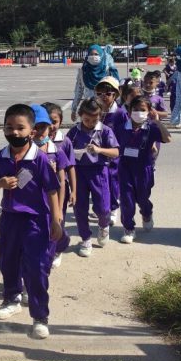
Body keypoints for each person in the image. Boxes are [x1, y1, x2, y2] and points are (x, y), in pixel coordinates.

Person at [0, 104, 62, 339]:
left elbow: (52, 190)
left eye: (20, 127)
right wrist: (1, 183)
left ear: (32, 131)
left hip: (36, 220)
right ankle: (11, 299)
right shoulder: (0, 156)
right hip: (10, 218)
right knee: (8, 261)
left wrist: (56, 220)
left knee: (37, 267)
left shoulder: (39, 159)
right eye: (9, 127)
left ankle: (40, 317)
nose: (15, 132)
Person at [66, 98, 119, 257]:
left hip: (99, 172)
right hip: (78, 173)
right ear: (80, 115)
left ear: (100, 116)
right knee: (80, 208)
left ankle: (103, 226)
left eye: (94, 120)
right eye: (86, 119)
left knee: (103, 208)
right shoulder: (74, 132)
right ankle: (86, 239)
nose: (90, 123)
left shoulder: (105, 131)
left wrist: (99, 150)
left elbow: (116, 152)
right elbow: (64, 151)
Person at [114, 96, 171, 243]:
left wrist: (157, 121)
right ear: (129, 111)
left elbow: (168, 138)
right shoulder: (121, 128)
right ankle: (129, 228)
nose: (138, 112)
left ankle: (147, 212)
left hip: (144, 168)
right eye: (135, 109)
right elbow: (113, 144)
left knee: (142, 197)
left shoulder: (151, 128)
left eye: (142, 110)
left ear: (149, 111)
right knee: (127, 199)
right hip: (125, 167)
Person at [30, 104, 70, 270]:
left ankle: (55, 252)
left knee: (54, 230)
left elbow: (62, 182)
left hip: (51, 202)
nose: (40, 131)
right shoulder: (24, 151)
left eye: (44, 127)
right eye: (36, 127)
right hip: (32, 203)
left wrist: (59, 209)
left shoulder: (56, 151)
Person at [43, 102, 77, 269]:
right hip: (41, 192)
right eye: (46, 122)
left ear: (60, 122)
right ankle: (46, 250)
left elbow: (70, 168)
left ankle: (58, 248)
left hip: (59, 191)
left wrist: (74, 191)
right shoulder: (34, 142)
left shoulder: (64, 142)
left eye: (54, 121)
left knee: (58, 220)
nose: (51, 125)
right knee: (44, 222)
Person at [95, 76, 126, 226]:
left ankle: (113, 210)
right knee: (101, 184)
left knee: (113, 183)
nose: (104, 96)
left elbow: (123, 137)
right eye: (100, 93)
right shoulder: (96, 112)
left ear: (115, 94)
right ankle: (103, 208)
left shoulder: (120, 114)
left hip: (113, 156)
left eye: (108, 93)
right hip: (97, 155)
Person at [71, 44, 111, 122]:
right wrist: (74, 109)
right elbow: (78, 91)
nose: (93, 56)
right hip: (88, 109)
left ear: (101, 55)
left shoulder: (107, 70)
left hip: (104, 111)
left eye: (96, 54)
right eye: (91, 54)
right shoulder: (83, 71)